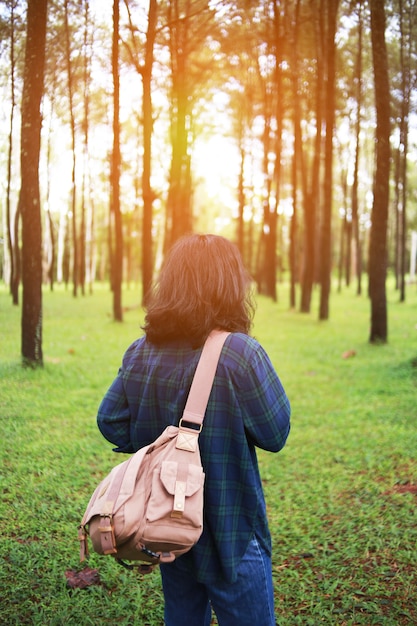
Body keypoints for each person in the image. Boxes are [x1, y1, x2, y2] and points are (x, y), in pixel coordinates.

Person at [97, 233, 291, 626]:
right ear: (230, 286)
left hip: (166, 524)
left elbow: (110, 420)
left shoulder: (141, 351)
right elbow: (276, 433)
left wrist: (161, 448)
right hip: (231, 530)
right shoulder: (240, 352)